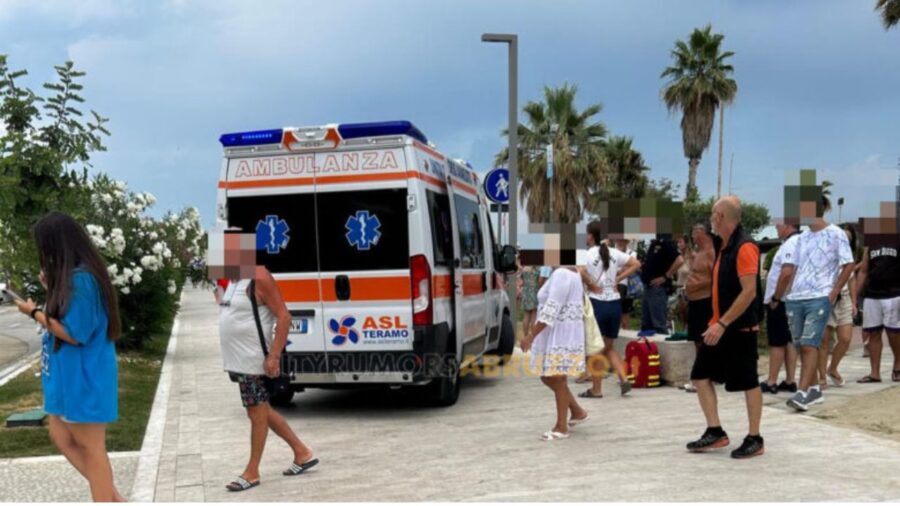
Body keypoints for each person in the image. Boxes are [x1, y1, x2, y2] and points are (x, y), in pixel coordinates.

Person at [14, 212, 124, 502]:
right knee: (61, 437)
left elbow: (76, 333)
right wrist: (52, 290)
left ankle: (106, 499)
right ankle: (114, 497)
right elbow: (69, 315)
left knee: (91, 448)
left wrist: (34, 312)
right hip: (66, 377)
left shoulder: (85, 280)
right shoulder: (74, 280)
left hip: (84, 378)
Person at [213, 231, 318, 492]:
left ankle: (252, 471)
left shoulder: (259, 275)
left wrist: (274, 355)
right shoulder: (236, 279)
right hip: (238, 360)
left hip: (253, 360)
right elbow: (228, 310)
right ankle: (302, 452)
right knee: (261, 410)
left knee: (256, 411)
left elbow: (284, 316)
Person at [686, 196, 765, 459]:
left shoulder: (745, 247)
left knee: (748, 382)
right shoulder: (724, 246)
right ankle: (715, 431)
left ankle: (755, 438)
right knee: (700, 376)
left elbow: (749, 292)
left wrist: (723, 323)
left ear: (720, 216)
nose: (710, 218)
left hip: (739, 328)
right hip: (717, 326)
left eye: (712, 214)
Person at [781, 196, 855, 411]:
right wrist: (787, 291)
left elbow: (848, 264)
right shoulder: (802, 238)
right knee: (800, 346)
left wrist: (833, 291)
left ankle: (802, 392)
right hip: (796, 298)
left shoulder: (836, 234)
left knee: (808, 344)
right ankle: (814, 390)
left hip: (820, 296)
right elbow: (794, 266)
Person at [519, 267, 589, 440]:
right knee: (548, 376)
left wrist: (530, 336)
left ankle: (561, 426)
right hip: (559, 331)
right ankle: (577, 411)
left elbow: (551, 309)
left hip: (560, 333)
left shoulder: (562, 274)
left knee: (557, 377)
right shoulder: (570, 273)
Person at [578, 222, 640, 399]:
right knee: (610, 347)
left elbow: (580, 269)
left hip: (596, 303)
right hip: (614, 303)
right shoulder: (615, 253)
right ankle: (623, 378)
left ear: (591, 236)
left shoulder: (587, 254)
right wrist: (618, 278)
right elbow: (636, 264)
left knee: (595, 348)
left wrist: (591, 284)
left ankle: (596, 389)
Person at [854, 225, 900, 383]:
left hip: (894, 293)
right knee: (873, 333)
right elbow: (863, 271)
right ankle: (875, 373)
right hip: (872, 294)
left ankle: (898, 365)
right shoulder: (871, 244)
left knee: (894, 333)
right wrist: (855, 296)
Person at [760, 220, 801, 394]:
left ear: (788, 225)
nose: (776, 229)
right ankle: (790, 379)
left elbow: (787, 272)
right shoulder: (799, 242)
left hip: (782, 300)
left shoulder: (791, 244)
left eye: (778, 226)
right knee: (789, 340)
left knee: (777, 342)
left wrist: (776, 297)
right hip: (791, 299)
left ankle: (772, 381)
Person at [819, 224, 859, 387]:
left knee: (845, 338)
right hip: (828, 297)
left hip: (844, 298)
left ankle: (832, 368)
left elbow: (852, 278)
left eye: (848, 238)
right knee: (824, 340)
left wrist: (854, 302)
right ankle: (821, 377)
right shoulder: (827, 251)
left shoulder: (849, 255)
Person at [681, 221, 716, 393]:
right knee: (696, 340)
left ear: (701, 232)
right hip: (695, 302)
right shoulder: (699, 253)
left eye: (694, 233)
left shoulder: (711, 252)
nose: (692, 237)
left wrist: (698, 285)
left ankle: (705, 375)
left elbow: (715, 278)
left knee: (704, 340)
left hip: (705, 300)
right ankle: (702, 373)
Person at [640, 235, 684, 335]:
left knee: (658, 325)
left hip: (657, 289)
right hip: (648, 287)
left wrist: (665, 276)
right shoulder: (654, 243)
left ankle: (662, 349)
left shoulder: (666, 242)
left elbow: (680, 260)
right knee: (646, 324)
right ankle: (648, 349)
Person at [615, 239, 638, 330]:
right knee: (616, 311)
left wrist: (617, 270)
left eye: (624, 241)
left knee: (625, 312)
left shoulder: (632, 253)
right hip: (614, 284)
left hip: (626, 285)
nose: (620, 242)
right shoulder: (612, 251)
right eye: (619, 240)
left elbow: (628, 269)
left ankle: (626, 330)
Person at [520, 266, 540, 342]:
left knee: (526, 315)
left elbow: (522, 280)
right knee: (534, 316)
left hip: (526, 292)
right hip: (534, 292)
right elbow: (539, 280)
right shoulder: (537, 269)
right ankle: (533, 338)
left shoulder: (524, 269)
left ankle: (525, 336)